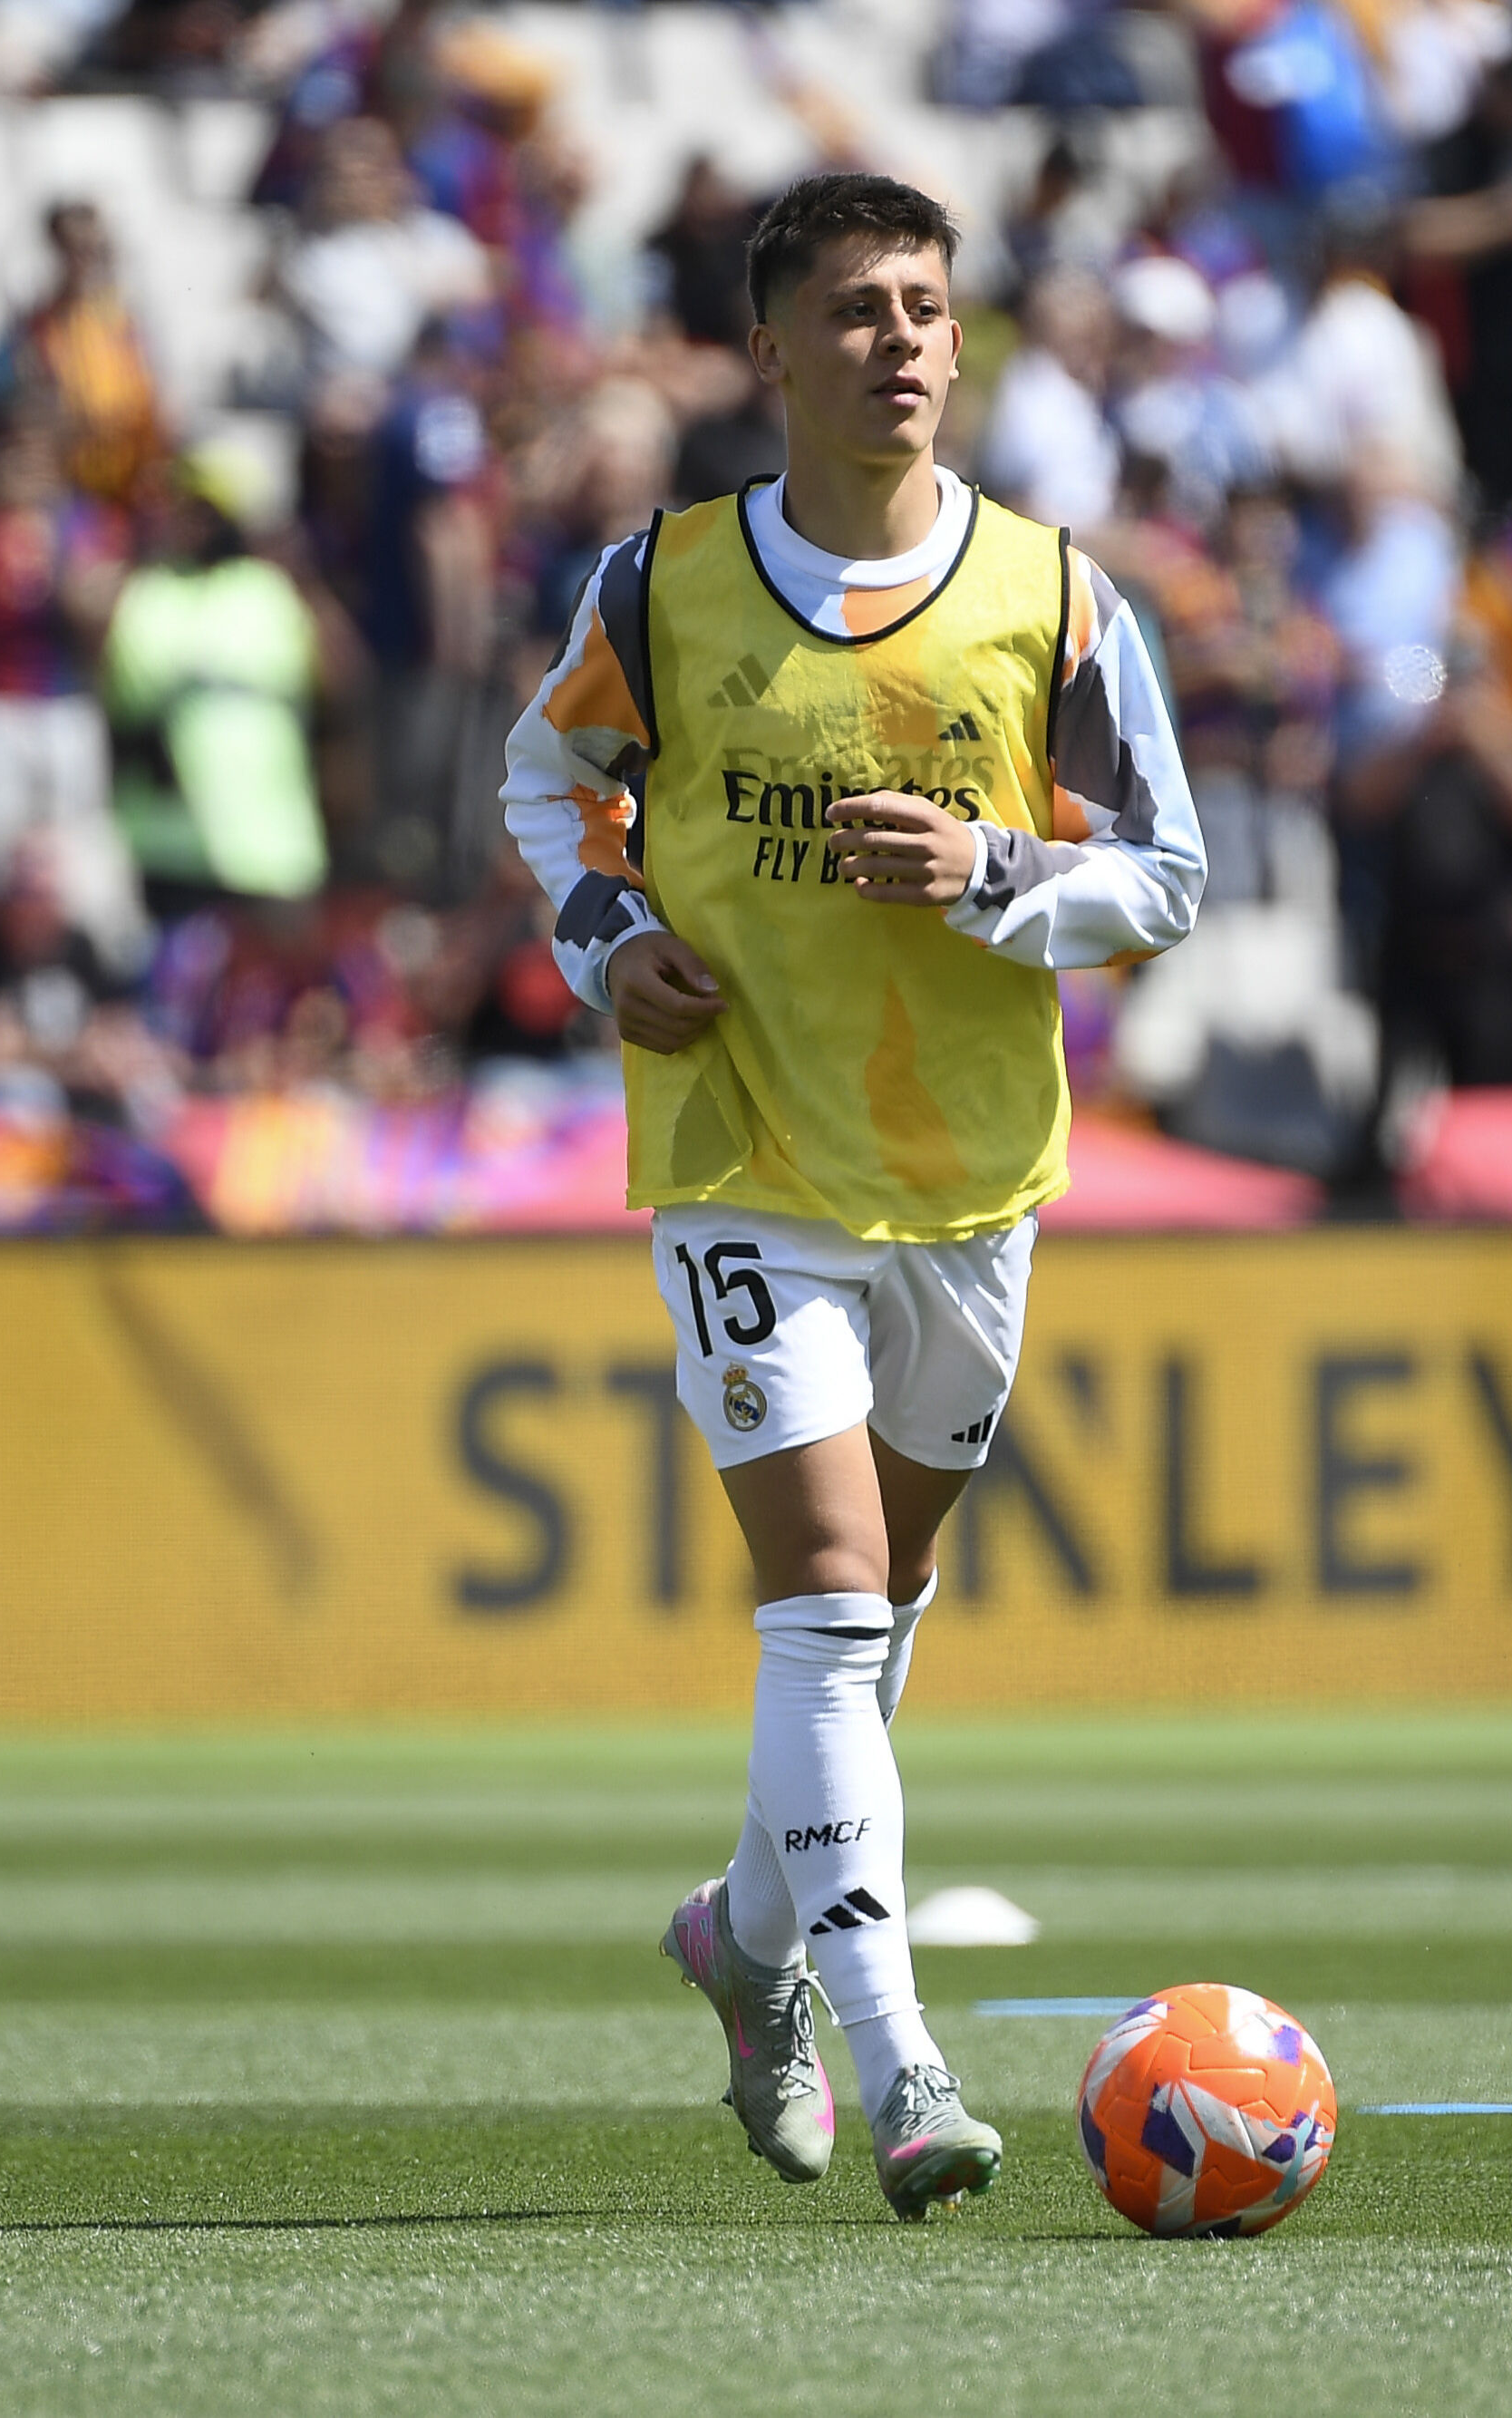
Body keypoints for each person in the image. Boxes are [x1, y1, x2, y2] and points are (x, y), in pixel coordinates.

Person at [499, 173, 1205, 2219]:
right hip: (739, 1151)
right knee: (818, 1607)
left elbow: (1165, 877)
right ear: (773, 348)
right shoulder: (665, 584)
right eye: (856, 307)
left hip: (970, 1177)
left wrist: (992, 873)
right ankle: (901, 2064)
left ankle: (741, 1936)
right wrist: (600, 939)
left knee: (872, 1627)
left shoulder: (1055, 597)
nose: (899, 339)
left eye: (925, 305)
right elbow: (550, 784)